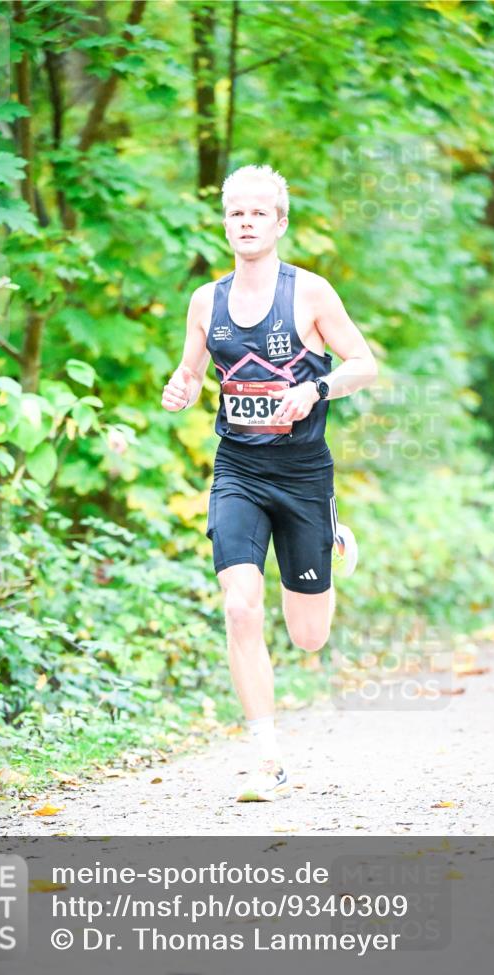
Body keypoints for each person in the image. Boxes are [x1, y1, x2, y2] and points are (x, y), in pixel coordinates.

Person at [161, 165, 378, 802]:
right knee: (238, 606)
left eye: (259, 213)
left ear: (280, 223)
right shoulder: (206, 301)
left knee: (309, 637)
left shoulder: (310, 293)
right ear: (226, 223)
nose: (247, 222)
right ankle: (267, 757)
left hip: (305, 475)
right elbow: (190, 373)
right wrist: (181, 389)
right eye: (236, 214)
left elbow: (363, 364)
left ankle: (328, 533)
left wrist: (315, 389)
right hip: (240, 472)